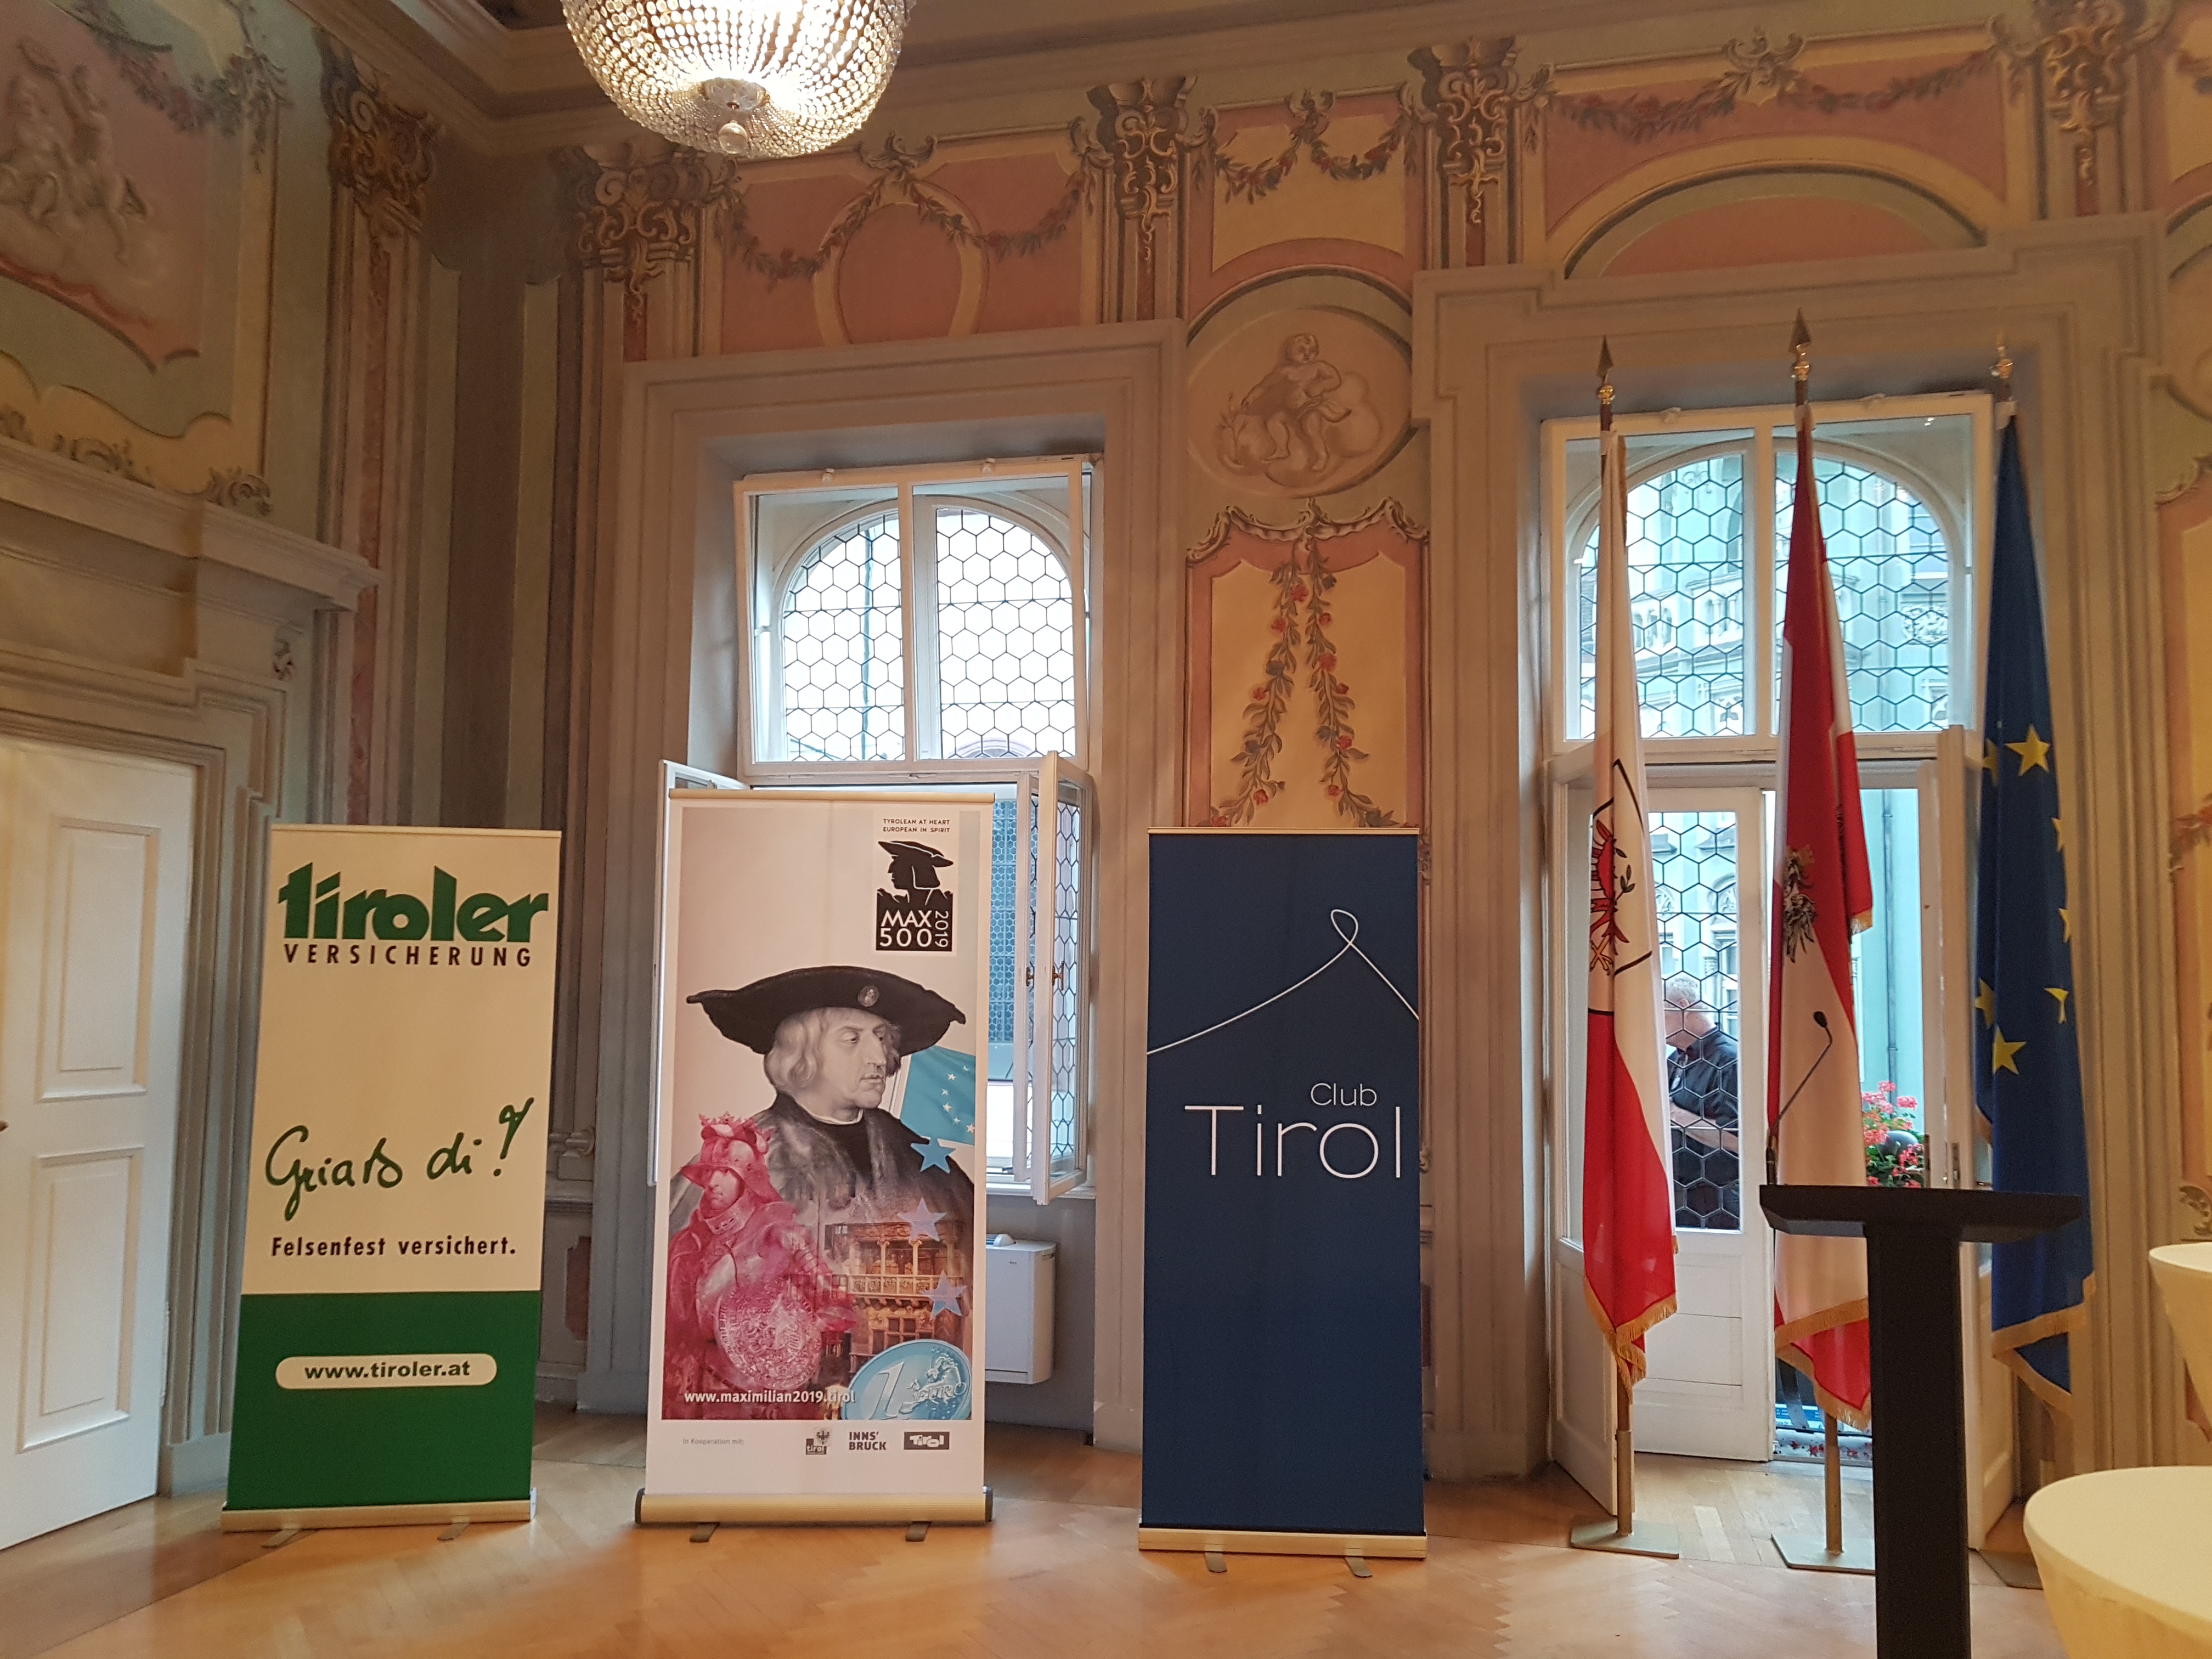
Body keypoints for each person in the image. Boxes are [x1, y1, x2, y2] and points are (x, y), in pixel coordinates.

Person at [687, 966, 974, 1227]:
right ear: (800, 1056)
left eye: (881, 1038)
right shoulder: (739, 1160)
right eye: (852, 1039)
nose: (879, 1058)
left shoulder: (915, 1155)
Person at [662, 1114, 856, 1420]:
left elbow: (836, 1303)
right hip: (692, 1392)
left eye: (726, 1172)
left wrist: (798, 1336)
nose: (712, 1183)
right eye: (709, 1171)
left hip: (763, 1399)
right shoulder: (685, 1244)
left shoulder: (784, 1236)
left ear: (747, 1178)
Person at [1663, 977, 1741, 1229]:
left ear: (1682, 1006)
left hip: (1722, 1207)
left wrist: (1673, 1114)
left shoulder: (1729, 1060)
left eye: (1659, 1011)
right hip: (1681, 1200)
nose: (1653, 1021)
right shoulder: (1675, 1060)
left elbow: (1737, 1139)